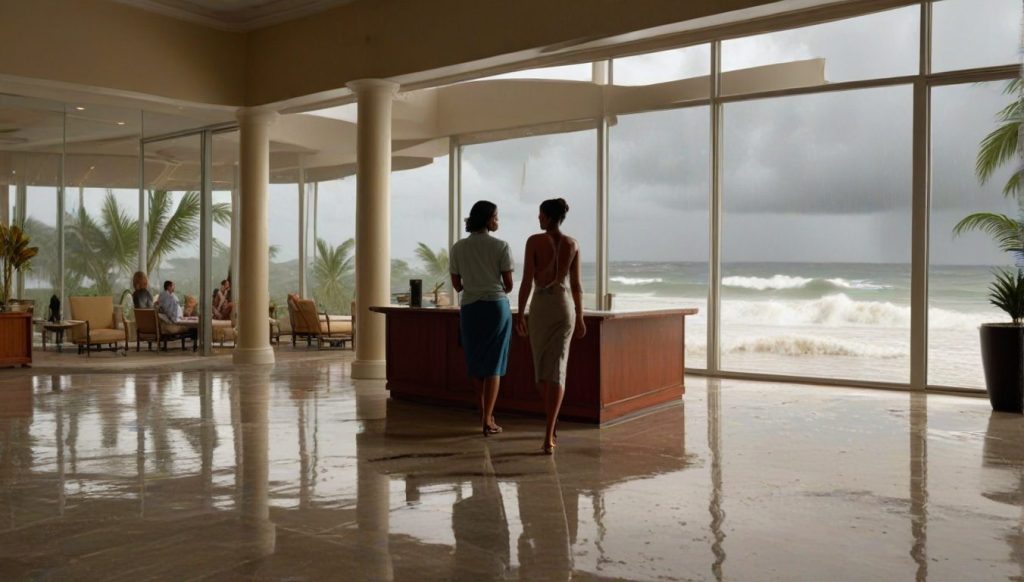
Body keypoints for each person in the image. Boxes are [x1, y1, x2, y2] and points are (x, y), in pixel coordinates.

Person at [515, 198, 586, 454]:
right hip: (564, 305)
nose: (538, 219)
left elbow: (525, 282)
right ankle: (550, 430)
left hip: (542, 307)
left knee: (541, 370)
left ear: (547, 216)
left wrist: (521, 313)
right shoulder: (573, 244)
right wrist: (579, 316)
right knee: (558, 367)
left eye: (540, 215)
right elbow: (577, 285)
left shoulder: (534, 241)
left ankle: (549, 430)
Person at [450, 200, 514, 437]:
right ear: (488, 220)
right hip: (496, 308)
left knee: (476, 364)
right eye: (496, 217)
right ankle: (488, 418)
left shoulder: (458, 248)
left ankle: (485, 414)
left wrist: (474, 285)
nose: (498, 221)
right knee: (494, 365)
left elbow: (457, 285)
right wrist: (491, 287)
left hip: (470, 308)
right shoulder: (501, 246)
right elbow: (508, 285)